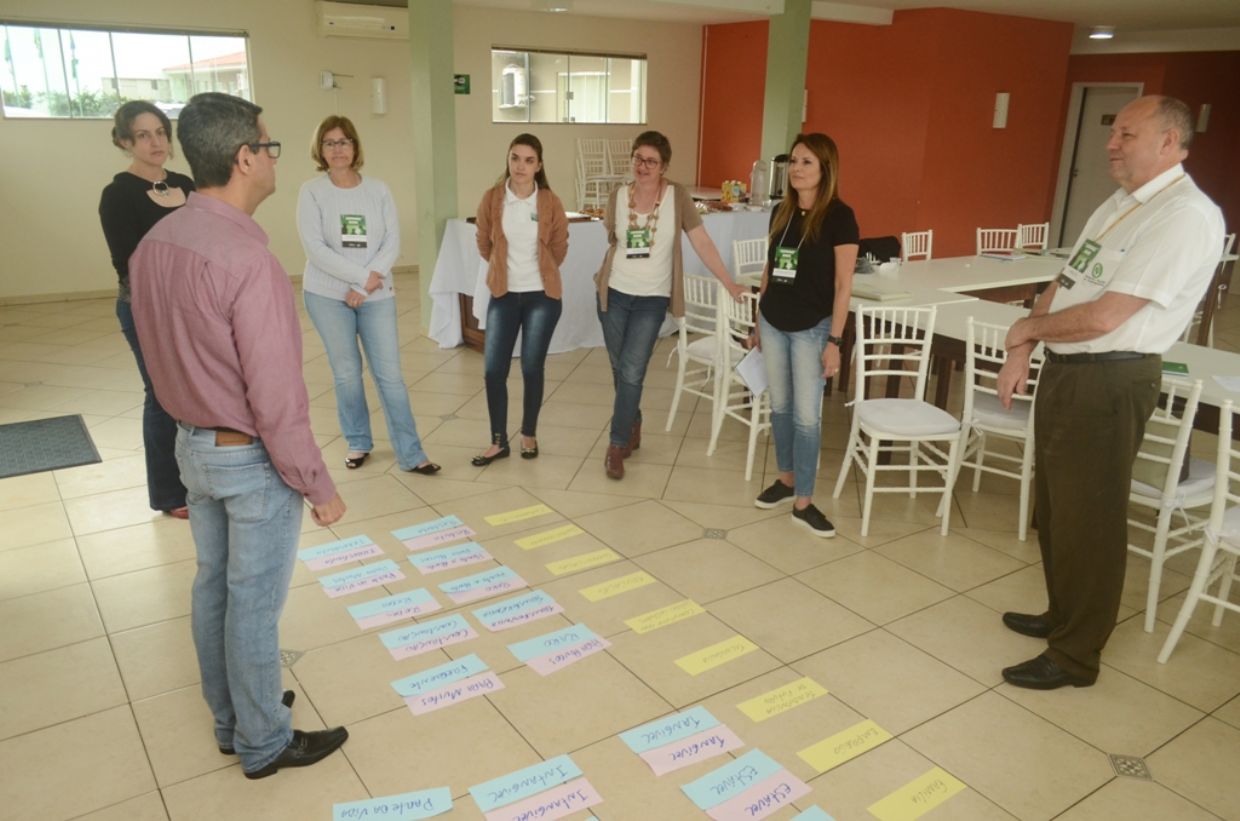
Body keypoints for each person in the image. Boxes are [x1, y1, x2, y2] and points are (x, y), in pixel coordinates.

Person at [129, 92, 349, 777]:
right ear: (245, 158)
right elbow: (276, 400)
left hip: (193, 446)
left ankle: (234, 719)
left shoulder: (155, 243)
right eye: (270, 145)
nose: (276, 157)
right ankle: (264, 741)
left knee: (215, 590)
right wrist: (317, 483)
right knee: (252, 603)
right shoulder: (248, 260)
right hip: (248, 458)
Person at [996, 95, 1224, 690]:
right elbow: (1066, 281)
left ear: (1170, 143)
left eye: (1127, 134)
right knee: (1057, 512)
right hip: (1069, 371)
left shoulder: (1185, 216)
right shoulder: (1119, 204)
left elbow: (1104, 317)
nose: (1110, 143)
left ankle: (1076, 655)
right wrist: (1024, 344)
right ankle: (1062, 615)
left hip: (1110, 378)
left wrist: (1024, 330)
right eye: (1114, 132)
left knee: (1090, 520)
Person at [595, 130, 746, 479]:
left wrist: (728, 281)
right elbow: (613, 237)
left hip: (652, 298)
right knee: (620, 368)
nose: (642, 166)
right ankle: (633, 421)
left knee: (633, 370)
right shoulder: (617, 196)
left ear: (664, 167)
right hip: (613, 293)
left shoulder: (678, 197)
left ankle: (616, 444)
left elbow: (702, 241)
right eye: (638, 158)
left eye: (651, 161)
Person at [297, 115, 439, 475]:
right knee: (347, 373)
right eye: (330, 143)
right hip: (327, 295)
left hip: (375, 295)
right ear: (320, 150)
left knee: (390, 375)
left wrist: (364, 287)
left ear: (355, 146)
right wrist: (362, 278)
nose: (337, 149)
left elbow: (392, 241)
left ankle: (411, 453)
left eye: (344, 141)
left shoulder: (378, 190)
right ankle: (358, 441)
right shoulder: (312, 192)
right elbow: (316, 249)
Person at [751, 133, 858, 538]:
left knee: (806, 418)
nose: (796, 169)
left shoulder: (839, 217)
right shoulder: (781, 211)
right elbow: (769, 268)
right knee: (780, 408)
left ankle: (804, 502)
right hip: (774, 321)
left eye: (806, 162)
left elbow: (843, 286)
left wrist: (835, 342)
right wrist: (758, 322)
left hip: (812, 329)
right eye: (793, 161)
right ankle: (787, 479)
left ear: (825, 169)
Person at [98, 101, 194, 519]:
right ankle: (169, 494)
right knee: (162, 396)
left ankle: (197, 480)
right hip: (146, 309)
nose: (155, 142)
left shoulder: (185, 185)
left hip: (191, 306)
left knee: (194, 391)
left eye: (160, 133)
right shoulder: (118, 194)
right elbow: (128, 264)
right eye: (143, 135)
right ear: (124, 141)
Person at [471, 134, 569, 466]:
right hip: (504, 294)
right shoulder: (492, 198)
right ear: (508, 160)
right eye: (515, 158)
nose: (520, 166)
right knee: (493, 370)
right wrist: (502, 270)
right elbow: (483, 242)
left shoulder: (550, 201)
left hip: (542, 296)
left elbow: (560, 246)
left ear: (539, 166)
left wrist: (542, 271)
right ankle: (498, 441)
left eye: (529, 160)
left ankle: (529, 433)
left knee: (530, 366)